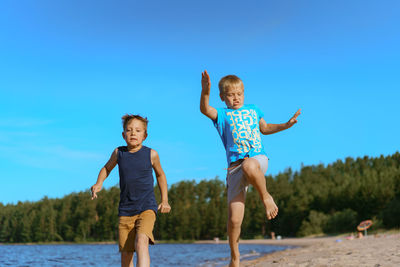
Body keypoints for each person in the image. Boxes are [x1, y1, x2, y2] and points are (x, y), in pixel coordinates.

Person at [200, 70, 301, 267]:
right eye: (230, 94)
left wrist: (286, 125)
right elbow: (205, 109)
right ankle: (235, 256)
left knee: (249, 164)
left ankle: (266, 196)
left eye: (239, 94)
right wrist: (205, 91)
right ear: (222, 97)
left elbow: (265, 128)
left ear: (244, 93)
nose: (235, 98)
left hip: (257, 160)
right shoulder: (222, 114)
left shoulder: (254, 109)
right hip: (234, 169)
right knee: (234, 219)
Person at [91, 114, 171, 267]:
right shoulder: (118, 153)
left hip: (146, 208)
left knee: (141, 241)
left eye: (138, 130)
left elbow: (160, 175)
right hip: (125, 211)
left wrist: (165, 200)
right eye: (129, 130)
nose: (133, 133)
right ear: (123, 135)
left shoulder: (151, 154)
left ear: (145, 136)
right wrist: (99, 183)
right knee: (126, 255)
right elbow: (106, 168)